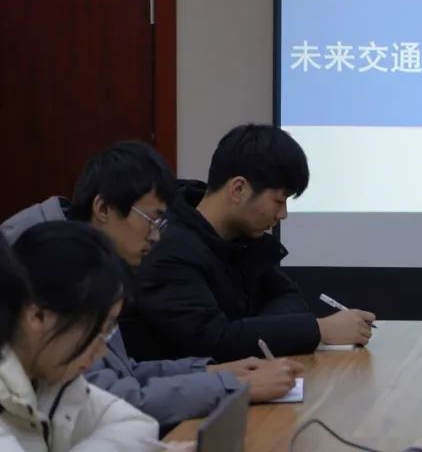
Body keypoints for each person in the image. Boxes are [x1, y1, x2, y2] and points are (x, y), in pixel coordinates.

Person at [1, 141, 301, 430]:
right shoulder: (50, 268)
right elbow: (105, 398)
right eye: (152, 220)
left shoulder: (93, 264)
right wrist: (231, 386)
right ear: (103, 209)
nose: (156, 237)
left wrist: (212, 371)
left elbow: (125, 371)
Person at [130, 124, 376, 362]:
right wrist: (320, 330)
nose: (283, 215)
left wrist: (247, 331)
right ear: (238, 189)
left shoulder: (245, 239)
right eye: (278, 201)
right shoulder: (166, 249)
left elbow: (290, 298)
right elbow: (212, 341)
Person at [0, 223, 158, 451]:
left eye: (108, 330)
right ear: (37, 316)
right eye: (96, 330)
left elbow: (137, 425)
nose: (101, 350)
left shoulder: (48, 380)